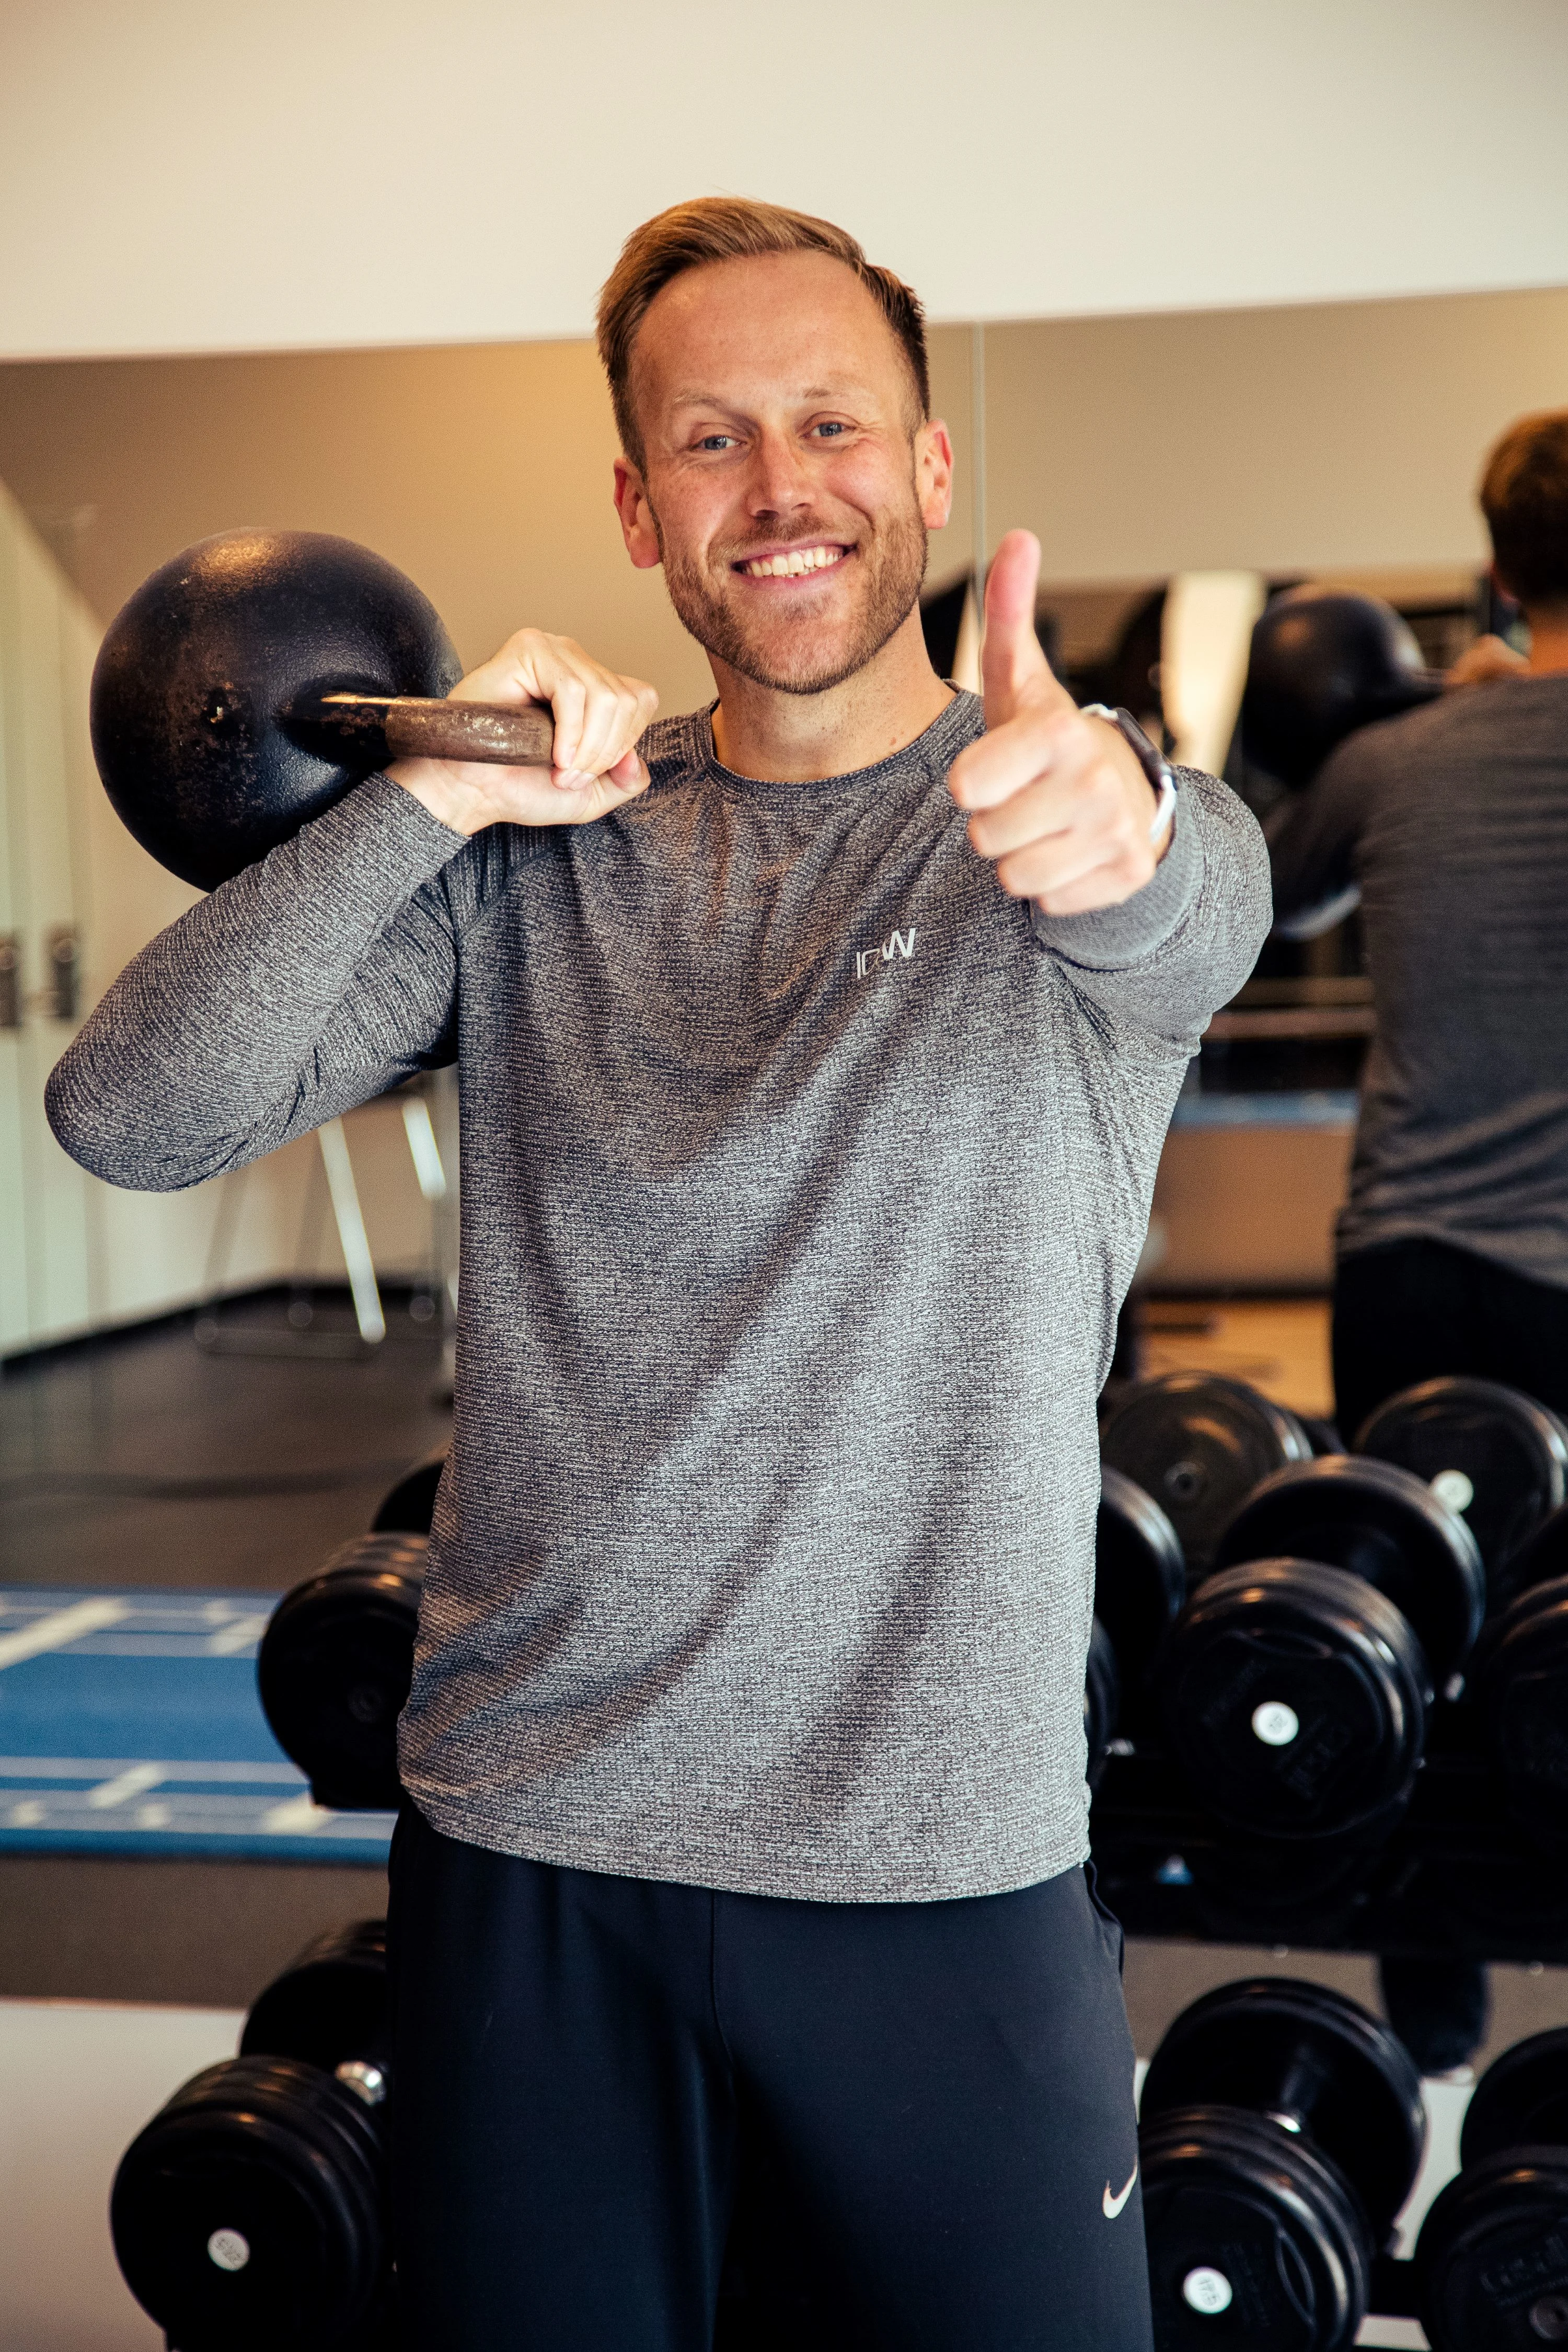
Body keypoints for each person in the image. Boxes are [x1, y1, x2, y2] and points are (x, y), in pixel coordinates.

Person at [48, 199, 1267, 2350]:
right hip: (537, 1851)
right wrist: (430, 800)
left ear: (931, 469)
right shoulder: (534, 849)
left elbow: (1184, 908)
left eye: (833, 424)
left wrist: (1128, 824)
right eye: (712, 440)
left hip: (935, 1870)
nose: (781, 485)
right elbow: (128, 1114)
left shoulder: (1065, 827)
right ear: (638, 509)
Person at [1269, 410, 1568, 1445]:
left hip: (1405, 1277)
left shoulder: (1388, 763)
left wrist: (1420, 720)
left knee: (1399, 1550)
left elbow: (1265, 904)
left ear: (1501, 574)